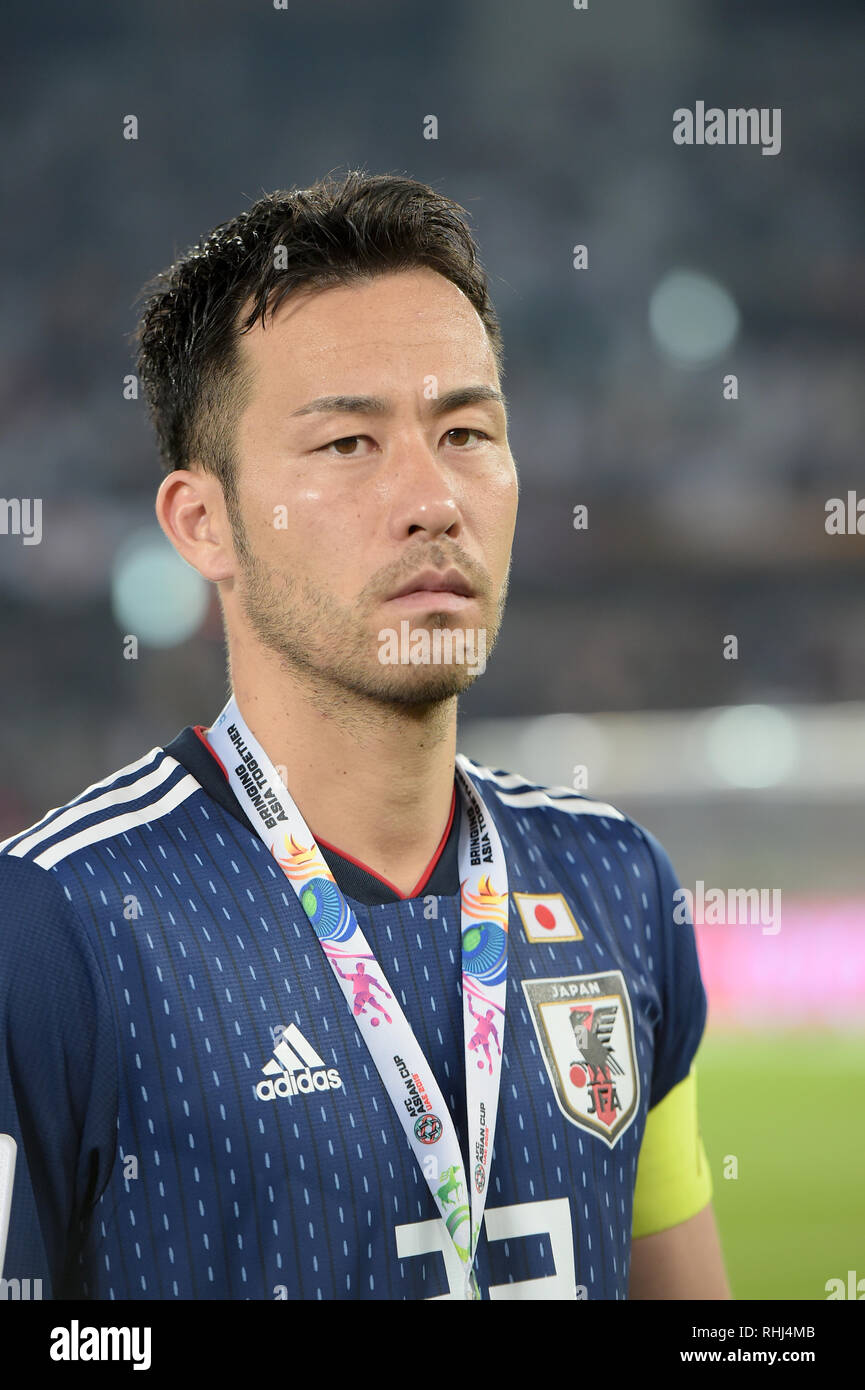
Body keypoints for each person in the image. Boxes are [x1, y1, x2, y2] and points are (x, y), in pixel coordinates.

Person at [0, 170, 729, 1300]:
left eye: (467, 430)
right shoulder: (54, 930)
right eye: (349, 444)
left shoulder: (619, 882)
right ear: (206, 523)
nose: (432, 496)